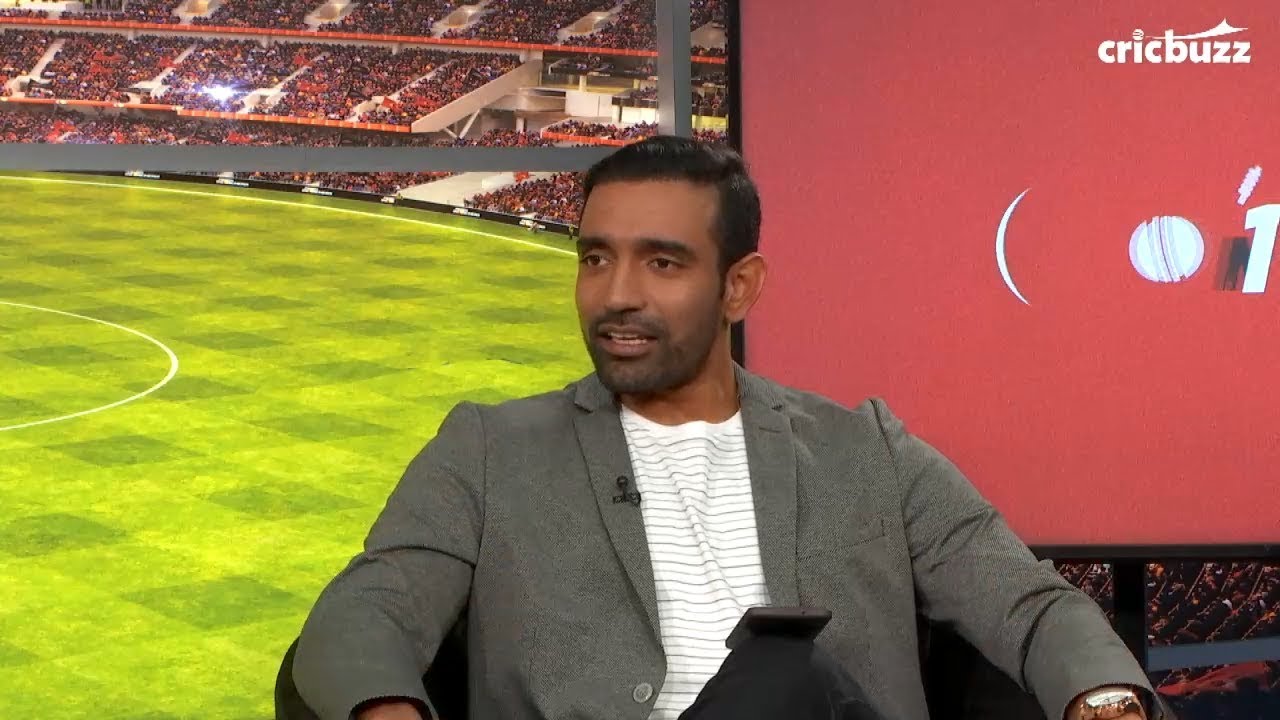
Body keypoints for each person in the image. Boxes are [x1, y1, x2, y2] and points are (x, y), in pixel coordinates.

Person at [291, 136, 1170, 720]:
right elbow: (364, 613)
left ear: (739, 287)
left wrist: (1105, 704)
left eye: (662, 263)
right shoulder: (490, 449)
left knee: (785, 671)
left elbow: (1028, 605)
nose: (617, 294)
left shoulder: (866, 449)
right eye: (595, 258)